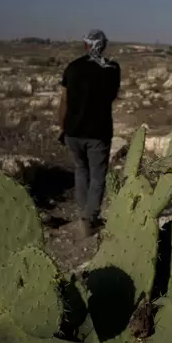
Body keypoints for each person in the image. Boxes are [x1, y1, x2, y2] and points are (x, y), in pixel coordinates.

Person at [57, 29, 121, 237]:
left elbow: (64, 101)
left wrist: (62, 127)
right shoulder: (112, 68)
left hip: (73, 131)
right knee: (97, 176)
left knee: (80, 170)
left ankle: (83, 213)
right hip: (98, 132)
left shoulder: (72, 68)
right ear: (103, 46)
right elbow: (112, 96)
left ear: (86, 45)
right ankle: (89, 217)